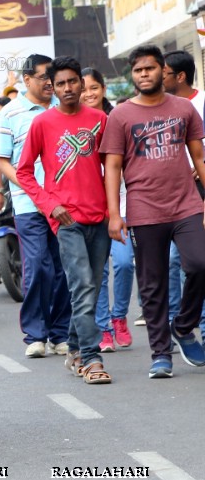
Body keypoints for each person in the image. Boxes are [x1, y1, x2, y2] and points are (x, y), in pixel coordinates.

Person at [102, 45, 205, 379]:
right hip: (144, 210)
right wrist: (114, 214)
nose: (144, 74)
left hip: (187, 204)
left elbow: (199, 157)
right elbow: (113, 165)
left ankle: (184, 324)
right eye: (138, 70)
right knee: (152, 284)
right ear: (132, 75)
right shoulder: (120, 115)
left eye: (149, 68)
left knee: (200, 263)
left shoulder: (184, 109)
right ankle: (161, 353)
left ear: (163, 70)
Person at [16, 57, 112, 384]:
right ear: (52, 88)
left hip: (100, 217)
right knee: (83, 285)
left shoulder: (100, 120)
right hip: (67, 221)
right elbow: (24, 172)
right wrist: (49, 204)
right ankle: (91, 357)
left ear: (82, 84)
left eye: (73, 81)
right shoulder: (42, 124)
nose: (68, 88)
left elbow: (112, 170)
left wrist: (115, 211)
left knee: (91, 288)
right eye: (61, 84)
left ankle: (73, 347)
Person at [0, 55, 72, 358]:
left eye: (54, 76)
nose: (51, 82)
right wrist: (30, 188)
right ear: (27, 80)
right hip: (28, 203)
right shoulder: (10, 114)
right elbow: (2, 160)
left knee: (63, 267)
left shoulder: (63, 110)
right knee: (38, 266)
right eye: (44, 77)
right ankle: (35, 334)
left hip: (65, 202)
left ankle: (60, 332)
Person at [82, 68, 133, 351]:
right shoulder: (75, 124)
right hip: (91, 209)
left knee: (125, 264)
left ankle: (119, 318)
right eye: (84, 88)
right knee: (97, 271)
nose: (89, 94)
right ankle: (102, 327)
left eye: (94, 88)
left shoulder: (119, 120)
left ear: (103, 89)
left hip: (123, 205)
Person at [160, 50, 205, 331]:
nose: (158, 78)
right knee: (173, 260)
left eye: (163, 73)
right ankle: (176, 323)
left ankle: (197, 324)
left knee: (195, 260)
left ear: (180, 76)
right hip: (171, 193)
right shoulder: (162, 106)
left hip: (198, 188)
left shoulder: (201, 102)